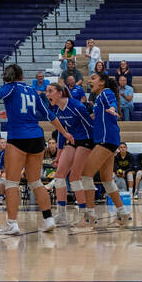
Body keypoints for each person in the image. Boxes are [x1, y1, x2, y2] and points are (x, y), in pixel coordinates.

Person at [0, 64, 57, 237]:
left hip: (18, 137)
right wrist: (64, 132)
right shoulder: (33, 90)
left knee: (11, 182)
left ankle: (12, 224)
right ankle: (48, 219)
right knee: (36, 182)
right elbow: (49, 114)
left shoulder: (11, 87)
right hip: (37, 137)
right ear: (22, 75)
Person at [74, 73, 133, 227]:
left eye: (93, 78)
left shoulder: (105, 93)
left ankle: (90, 216)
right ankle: (124, 214)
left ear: (102, 82)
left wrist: (113, 108)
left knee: (86, 175)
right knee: (106, 178)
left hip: (107, 140)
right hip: (109, 140)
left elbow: (112, 101)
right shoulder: (98, 99)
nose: (89, 80)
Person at [45, 81, 93, 224]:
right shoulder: (57, 110)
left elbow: (91, 126)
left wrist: (98, 147)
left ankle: (84, 214)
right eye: (46, 92)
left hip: (86, 140)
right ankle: (61, 214)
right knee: (59, 175)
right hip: (71, 141)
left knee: (74, 177)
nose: (47, 94)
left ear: (60, 93)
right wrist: (58, 156)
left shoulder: (77, 106)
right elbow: (61, 133)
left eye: (50, 91)